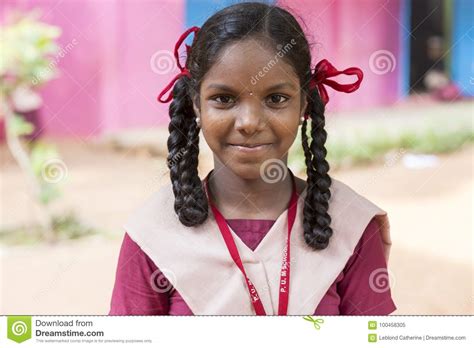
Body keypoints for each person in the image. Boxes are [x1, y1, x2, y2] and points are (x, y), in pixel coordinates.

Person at [109, 2, 396, 316]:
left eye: (276, 98)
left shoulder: (350, 224)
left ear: (304, 105)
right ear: (196, 105)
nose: (248, 122)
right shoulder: (153, 233)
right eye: (224, 99)